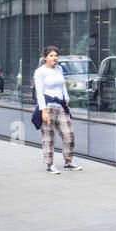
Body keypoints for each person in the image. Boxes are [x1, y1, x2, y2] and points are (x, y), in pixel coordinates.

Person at [34, 46, 82, 174]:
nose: (54, 58)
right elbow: (39, 92)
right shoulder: (40, 72)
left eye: (55, 55)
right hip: (47, 106)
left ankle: (68, 162)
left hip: (60, 106)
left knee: (69, 134)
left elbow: (63, 86)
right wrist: (43, 111)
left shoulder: (59, 68)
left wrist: (66, 99)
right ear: (45, 57)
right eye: (51, 55)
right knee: (48, 137)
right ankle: (50, 164)